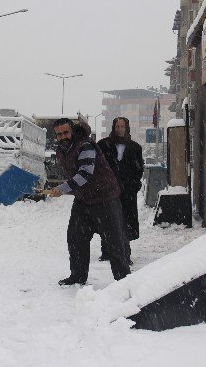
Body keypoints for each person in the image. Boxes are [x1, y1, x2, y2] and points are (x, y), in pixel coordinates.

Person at [49, 118, 131, 286]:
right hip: (84, 199)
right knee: (75, 238)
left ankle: (123, 280)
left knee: (114, 242)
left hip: (105, 198)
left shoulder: (85, 145)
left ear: (72, 131)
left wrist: (62, 189)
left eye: (65, 132)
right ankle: (77, 276)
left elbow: (85, 174)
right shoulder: (61, 150)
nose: (63, 137)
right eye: (59, 134)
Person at [97, 117, 144, 265]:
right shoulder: (103, 145)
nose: (119, 129)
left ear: (127, 128)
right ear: (113, 127)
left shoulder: (135, 147)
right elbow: (98, 166)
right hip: (108, 190)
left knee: (125, 221)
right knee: (108, 219)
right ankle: (106, 251)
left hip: (127, 192)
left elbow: (139, 170)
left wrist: (133, 185)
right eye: (117, 126)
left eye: (122, 126)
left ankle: (124, 253)